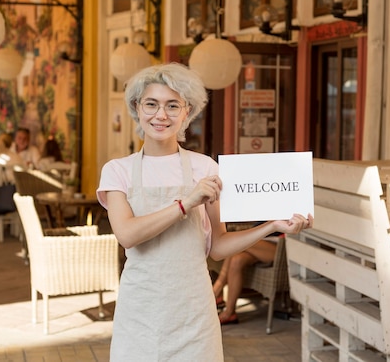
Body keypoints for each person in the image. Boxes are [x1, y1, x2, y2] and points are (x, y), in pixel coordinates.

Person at [96, 63, 313, 361]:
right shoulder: (117, 171)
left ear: (188, 112)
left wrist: (271, 225)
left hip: (194, 311)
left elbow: (218, 248)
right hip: (141, 310)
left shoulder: (206, 168)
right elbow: (128, 234)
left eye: (173, 105)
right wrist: (187, 202)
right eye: (152, 104)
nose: (161, 115)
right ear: (137, 107)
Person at [212, 231, 280, 325]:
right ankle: (230, 312)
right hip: (261, 242)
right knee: (236, 260)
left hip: (280, 245)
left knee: (235, 242)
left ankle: (216, 291)